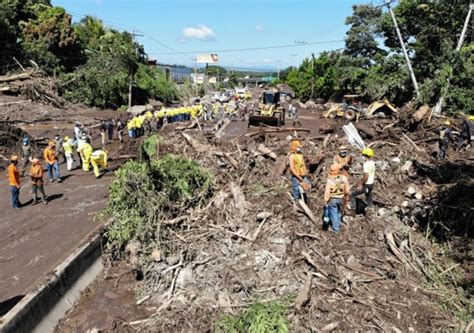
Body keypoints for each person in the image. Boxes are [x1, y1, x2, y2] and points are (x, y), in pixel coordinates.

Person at [323, 164, 350, 233]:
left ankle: (335, 228)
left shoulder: (330, 180)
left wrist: (326, 200)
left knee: (333, 212)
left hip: (333, 199)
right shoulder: (343, 178)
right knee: (338, 211)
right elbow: (347, 189)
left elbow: (327, 192)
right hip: (341, 198)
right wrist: (346, 195)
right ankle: (338, 223)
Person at [350, 148, 375, 212]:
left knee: (352, 194)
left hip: (366, 184)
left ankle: (352, 209)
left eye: (363, 155)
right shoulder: (372, 163)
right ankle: (370, 208)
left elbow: (366, 176)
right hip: (371, 184)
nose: (362, 157)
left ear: (365, 155)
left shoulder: (366, 164)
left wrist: (361, 184)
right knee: (368, 195)